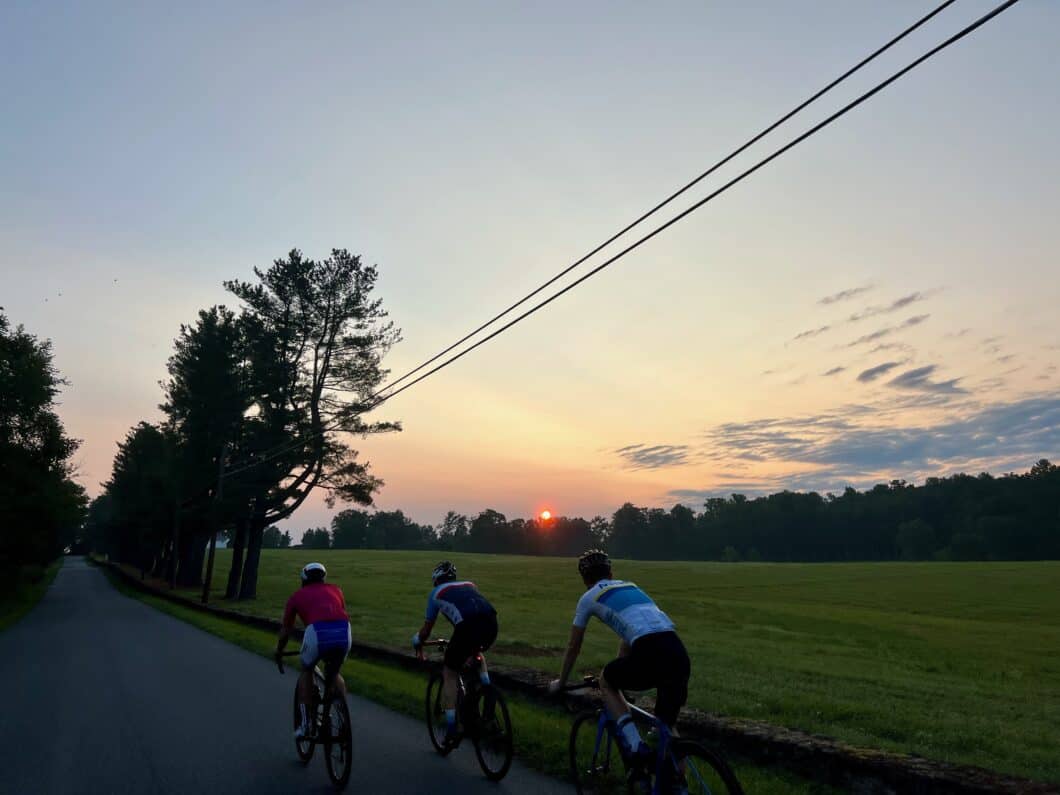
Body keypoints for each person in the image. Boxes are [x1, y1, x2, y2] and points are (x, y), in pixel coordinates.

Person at [549, 550, 690, 780]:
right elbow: (629, 636)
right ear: (611, 573)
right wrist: (622, 667)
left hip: (649, 650)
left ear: (585, 580)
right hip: (677, 650)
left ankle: (636, 746)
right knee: (667, 726)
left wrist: (561, 682)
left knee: (607, 679)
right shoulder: (631, 586)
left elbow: (574, 646)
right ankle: (678, 782)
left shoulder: (588, 598)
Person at [411, 560, 498, 747]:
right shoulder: (470, 585)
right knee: (477, 652)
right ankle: (487, 689)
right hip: (491, 622)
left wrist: (417, 641)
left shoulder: (436, 593)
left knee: (450, 673)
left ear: (436, 580)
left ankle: (452, 728)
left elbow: (426, 630)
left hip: (467, 628)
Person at [275, 562, 352, 739]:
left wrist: (279, 651)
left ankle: (306, 724)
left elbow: (286, 630)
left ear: (303, 579)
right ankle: (342, 717)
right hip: (344, 632)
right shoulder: (337, 590)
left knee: (307, 670)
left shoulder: (296, 597)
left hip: (317, 633)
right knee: (334, 673)